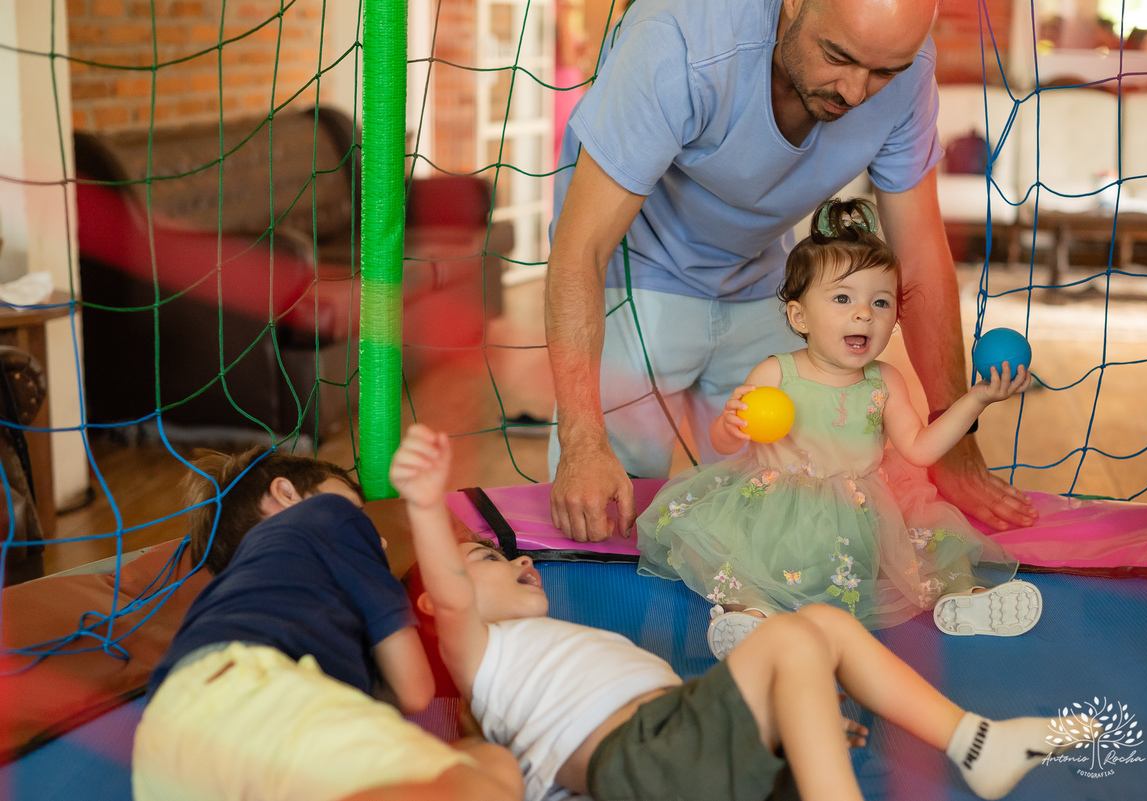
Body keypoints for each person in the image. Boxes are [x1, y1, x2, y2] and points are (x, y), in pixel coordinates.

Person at [545, 0, 1040, 545]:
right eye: (838, 57)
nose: (856, 91)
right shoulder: (678, 37)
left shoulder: (909, 69)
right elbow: (580, 247)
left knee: (778, 514)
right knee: (605, 515)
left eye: (883, 72)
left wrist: (957, 441)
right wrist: (582, 442)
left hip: (764, 277)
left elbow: (919, 256)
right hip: (634, 272)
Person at [392, 422, 1067, 801]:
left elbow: (685, 714)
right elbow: (451, 596)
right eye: (486, 557)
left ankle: (974, 741)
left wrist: (789, 715)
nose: (520, 561)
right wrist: (425, 505)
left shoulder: (559, 644)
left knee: (822, 630)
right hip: (641, 760)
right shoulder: (480, 657)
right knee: (791, 639)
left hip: (694, 757)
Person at [635, 198, 1040, 658]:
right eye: (843, 298)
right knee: (724, 554)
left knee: (935, 543)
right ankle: (748, 614)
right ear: (799, 316)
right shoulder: (775, 372)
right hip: (777, 515)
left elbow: (921, 449)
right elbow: (724, 443)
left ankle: (965, 599)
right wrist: (731, 426)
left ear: (895, 319)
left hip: (862, 518)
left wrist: (975, 399)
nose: (864, 313)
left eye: (880, 301)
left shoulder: (885, 381)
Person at [132, 447, 522, 801]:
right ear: (286, 493)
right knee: (494, 773)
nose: (381, 541)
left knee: (479, 763)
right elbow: (415, 692)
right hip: (256, 695)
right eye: (360, 513)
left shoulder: (247, 591)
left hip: (160, 743)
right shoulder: (329, 515)